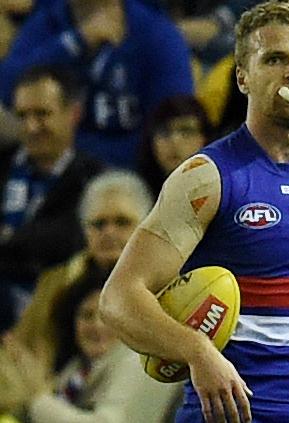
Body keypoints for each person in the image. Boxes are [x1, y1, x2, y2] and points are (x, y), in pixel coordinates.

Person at [100, 1, 289, 422]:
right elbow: (119, 298)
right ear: (243, 77)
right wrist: (196, 351)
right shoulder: (207, 178)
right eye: (275, 59)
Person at [0, 170, 153, 409]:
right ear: (84, 230)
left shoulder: (166, 284)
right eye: (98, 224)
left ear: (146, 226)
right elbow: (18, 351)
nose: (109, 232)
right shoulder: (55, 283)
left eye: (122, 222)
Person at [0, 0, 194, 168]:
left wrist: (74, 152)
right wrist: (75, 42)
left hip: (131, 177)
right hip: (54, 173)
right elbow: (6, 87)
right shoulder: (50, 19)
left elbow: (173, 122)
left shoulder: (157, 34)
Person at [0, 63, 104, 333]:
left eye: (42, 114)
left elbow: (67, 242)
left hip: (57, 317)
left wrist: (11, 240)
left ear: (74, 113)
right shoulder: (3, 164)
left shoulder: (93, 180)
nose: (31, 126)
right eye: (22, 115)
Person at [2, 269, 181, 423]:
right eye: (86, 315)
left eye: (106, 316)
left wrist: (35, 398)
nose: (97, 326)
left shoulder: (137, 361)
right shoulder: (79, 367)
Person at [138, 95, 212, 198]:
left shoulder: (225, 194)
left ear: (205, 138)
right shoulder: (136, 194)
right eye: (164, 132)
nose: (174, 141)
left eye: (186, 130)